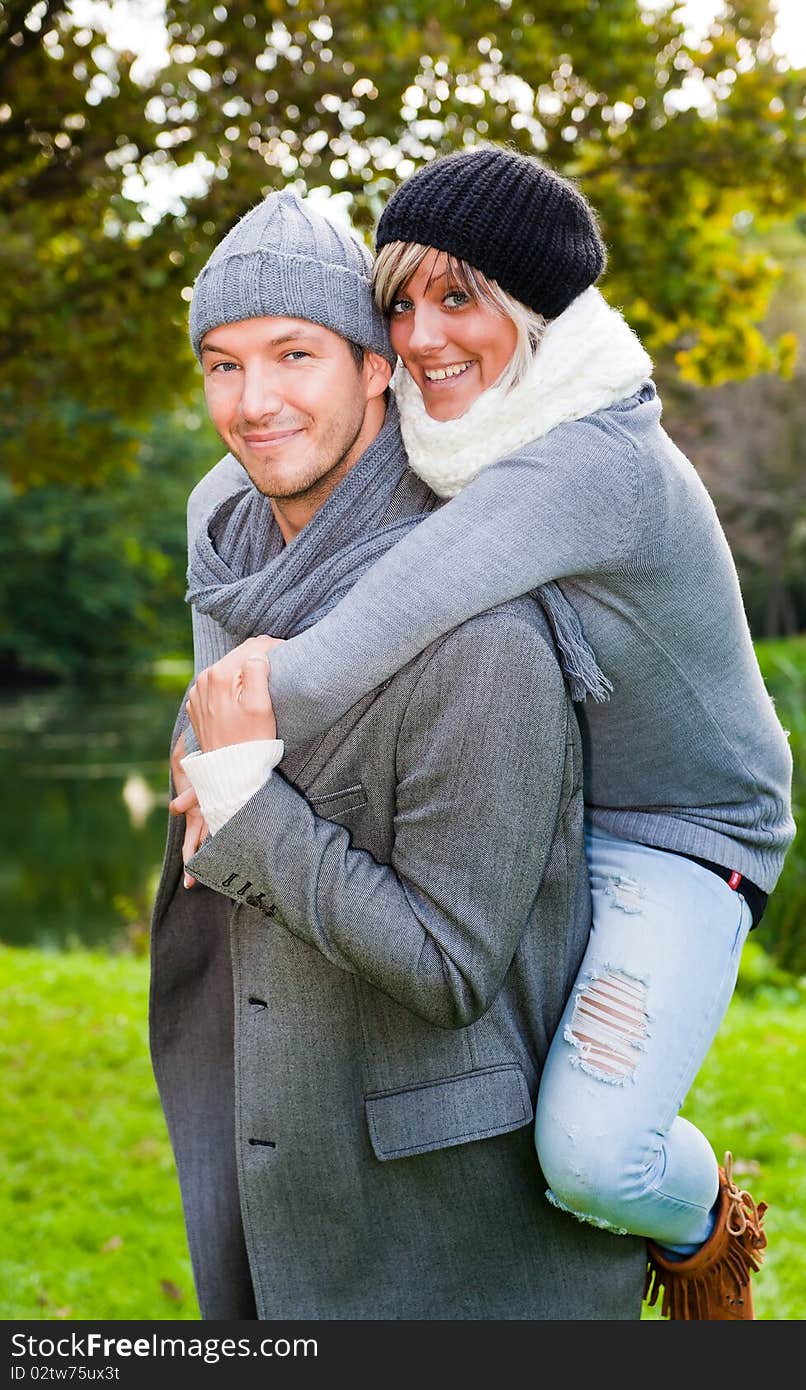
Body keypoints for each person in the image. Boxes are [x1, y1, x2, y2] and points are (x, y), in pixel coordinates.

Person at [188, 147, 795, 1320]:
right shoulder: (466, 422)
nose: (418, 337)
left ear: (537, 309)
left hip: (685, 829)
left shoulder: (586, 457)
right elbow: (248, 488)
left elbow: (371, 630)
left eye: (458, 297)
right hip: (576, 797)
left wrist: (231, 737)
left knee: (591, 1151)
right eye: (400, 301)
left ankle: (702, 1215)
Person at [150, 186, 647, 1320]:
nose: (254, 400)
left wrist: (242, 803)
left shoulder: (478, 627)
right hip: (271, 1187)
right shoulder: (234, 571)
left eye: (292, 355)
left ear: (378, 366)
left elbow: (449, 964)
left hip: (444, 1243)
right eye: (223, 364)